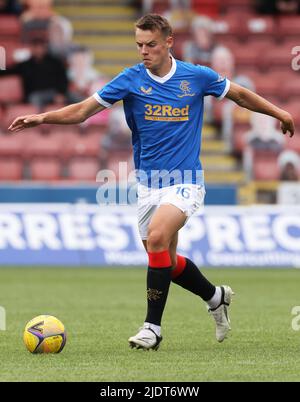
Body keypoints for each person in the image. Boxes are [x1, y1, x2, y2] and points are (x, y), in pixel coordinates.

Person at [8, 14, 295, 350]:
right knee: (166, 262)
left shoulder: (196, 76)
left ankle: (152, 329)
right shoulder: (130, 80)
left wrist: (280, 113)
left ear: (169, 41)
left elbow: (240, 95)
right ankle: (216, 297)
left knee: (158, 237)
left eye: (151, 45)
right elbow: (83, 111)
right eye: (139, 45)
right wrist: (41, 117)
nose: (144, 51)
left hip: (185, 180)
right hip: (148, 184)